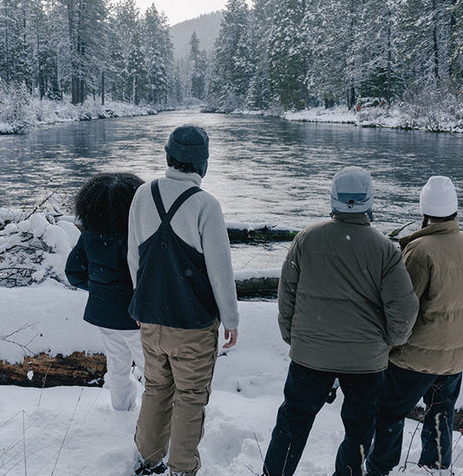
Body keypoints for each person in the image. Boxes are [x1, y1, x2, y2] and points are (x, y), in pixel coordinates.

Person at [262, 166, 419, 476]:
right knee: (360, 429)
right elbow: (403, 310)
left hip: (311, 355)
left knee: (293, 420)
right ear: (369, 201)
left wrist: (292, 335)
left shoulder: (308, 238)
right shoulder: (385, 250)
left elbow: (287, 292)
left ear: (332, 200)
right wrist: (390, 340)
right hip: (365, 361)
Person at [128, 125, 239, 476]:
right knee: (190, 397)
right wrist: (231, 320)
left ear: (168, 156)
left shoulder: (143, 195)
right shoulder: (206, 205)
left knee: (156, 389)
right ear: (202, 164)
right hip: (192, 325)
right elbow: (220, 272)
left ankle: (147, 460)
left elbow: (135, 258)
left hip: (150, 319)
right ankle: (181, 468)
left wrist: (143, 301)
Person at [366, 176, 463, 475]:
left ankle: (380, 468)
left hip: (417, 356)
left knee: (389, 412)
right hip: (457, 355)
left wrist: (386, 347)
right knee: (441, 414)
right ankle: (435, 468)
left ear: (424, 210)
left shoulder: (420, 251)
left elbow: (403, 307)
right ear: (454, 209)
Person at [64, 172, 146, 411]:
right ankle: (158, 418)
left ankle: (121, 411)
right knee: (151, 371)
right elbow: (141, 277)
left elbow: (73, 273)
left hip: (104, 316)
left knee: (118, 367)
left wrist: (101, 288)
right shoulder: (133, 237)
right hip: (135, 317)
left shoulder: (89, 236)